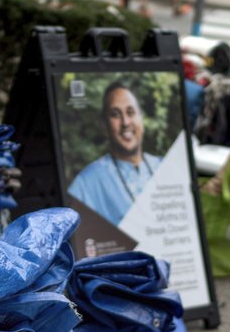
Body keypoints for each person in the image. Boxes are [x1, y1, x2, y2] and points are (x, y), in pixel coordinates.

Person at [67, 81, 162, 225]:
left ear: (141, 118)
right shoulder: (87, 182)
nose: (125, 122)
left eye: (131, 112)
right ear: (104, 125)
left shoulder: (164, 166)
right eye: (115, 114)